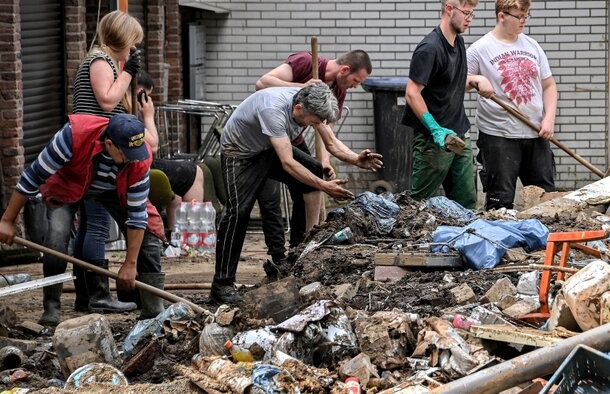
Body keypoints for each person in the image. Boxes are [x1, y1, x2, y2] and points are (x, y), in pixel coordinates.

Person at [211, 83, 383, 303]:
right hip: (240, 154)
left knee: (313, 169)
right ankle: (222, 285)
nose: (315, 126)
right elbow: (288, 163)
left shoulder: (311, 104)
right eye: (313, 121)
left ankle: (297, 254)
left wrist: (356, 159)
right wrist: (324, 186)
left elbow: (330, 142)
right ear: (299, 109)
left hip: (268, 147)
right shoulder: (273, 109)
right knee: (239, 212)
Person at [0, 114, 167, 323]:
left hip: (113, 189)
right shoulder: (73, 136)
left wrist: (130, 263)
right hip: (69, 183)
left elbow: (137, 216)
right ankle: (51, 307)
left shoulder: (139, 160)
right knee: (56, 239)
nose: (133, 158)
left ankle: (153, 312)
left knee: (149, 233)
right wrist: (7, 221)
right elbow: (32, 177)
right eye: (127, 153)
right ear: (109, 144)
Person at [255, 50, 372, 278]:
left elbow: (328, 134)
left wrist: (325, 163)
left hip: (293, 139)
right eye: (356, 81)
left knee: (312, 179)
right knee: (269, 200)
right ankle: (277, 256)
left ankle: (299, 249)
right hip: (267, 137)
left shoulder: (339, 90)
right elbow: (262, 83)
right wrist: (302, 86)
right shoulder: (306, 62)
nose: (355, 86)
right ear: (345, 70)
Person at [466, 0, 558, 210]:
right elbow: (461, 84)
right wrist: (477, 79)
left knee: (545, 199)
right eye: (520, 16)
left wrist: (549, 119)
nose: (524, 21)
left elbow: (549, 85)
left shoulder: (532, 45)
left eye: (527, 15)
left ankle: (544, 244)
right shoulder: (479, 49)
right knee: (500, 201)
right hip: (499, 137)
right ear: (502, 16)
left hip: (535, 133)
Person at [402, 0, 487, 209]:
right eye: (466, 13)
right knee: (418, 202)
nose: (470, 19)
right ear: (450, 9)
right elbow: (412, 93)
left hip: (459, 134)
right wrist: (435, 129)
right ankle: (407, 241)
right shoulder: (429, 49)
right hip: (434, 139)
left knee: (466, 201)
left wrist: (475, 81)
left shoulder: (458, 41)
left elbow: (451, 84)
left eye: (472, 14)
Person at [134, 71, 205, 232]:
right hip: (137, 167)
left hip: (137, 164)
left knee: (178, 189)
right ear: (138, 92)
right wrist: (148, 116)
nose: (146, 102)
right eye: (144, 97)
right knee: (194, 172)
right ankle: (191, 233)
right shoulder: (127, 114)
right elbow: (153, 146)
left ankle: (176, 236)